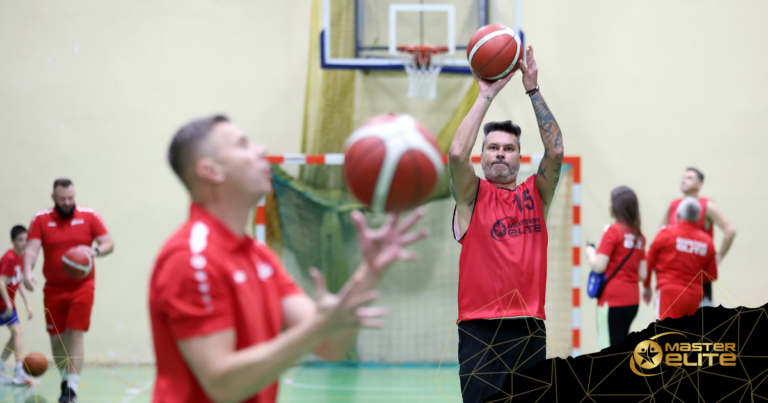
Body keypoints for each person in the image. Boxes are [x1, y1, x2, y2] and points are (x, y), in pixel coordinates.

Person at [149, 115, 428, 403]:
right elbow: (222, 385)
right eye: (243, 145)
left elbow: (330, 344)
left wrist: (369, 271)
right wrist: (316, 329)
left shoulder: (259, 257)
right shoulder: (191, 258)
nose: (261, 150)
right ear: (211, 171)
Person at [448, 46, 564, 403]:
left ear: (519, 157)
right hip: (480, 332)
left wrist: (533, 90)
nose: (500, 152)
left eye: (508, 148)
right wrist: (486, 93)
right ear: (482, 157)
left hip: (529, 329)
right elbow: (456, 154)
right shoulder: (471, 197)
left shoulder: (536, 194)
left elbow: (556, 152)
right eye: (493, 147)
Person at [22, 179, 115, 403]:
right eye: (62, 199)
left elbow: (108, 243)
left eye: (70, 198)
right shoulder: (41, 219)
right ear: (53, 198)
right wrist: (27, 271)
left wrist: (94, 251)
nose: (67, 202)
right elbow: (32, 249)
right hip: (54, 288)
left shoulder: (89, 216)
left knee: (75, 333)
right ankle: (65, 379)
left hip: (82, 286)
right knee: (57, 339)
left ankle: (71, 389)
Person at [661, 167, 736, 306]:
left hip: (698, 278)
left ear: (700, 184)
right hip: (675, 277)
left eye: (689, 178)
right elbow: (661, 232)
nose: (684, 180)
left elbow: (730, 230)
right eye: (683, 177)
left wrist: (719, 257)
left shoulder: (706, 205)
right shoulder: (674, 205)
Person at [585, 187, 647, 349]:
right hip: (632, 302)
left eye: (610, 202)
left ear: (617, 206)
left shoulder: (613, 231)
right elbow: (643, 274)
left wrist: (590, 252)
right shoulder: (639, 236)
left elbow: (598, 266)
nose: (609, 206)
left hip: (612, 301)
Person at [644, 197, 717, 320]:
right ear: (697, 218)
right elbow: (711, 276)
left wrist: (647, 287)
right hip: (694, 297)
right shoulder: (707, 242)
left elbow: (648, 264)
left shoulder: (665, 235)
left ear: (677, 216)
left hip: (669, 294)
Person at [0, 226, 36, 385]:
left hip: (7, 304)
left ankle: (16, 369)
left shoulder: (21, 258)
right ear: (13, 241)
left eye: (26, 240)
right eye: (20, 240)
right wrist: (8, 304)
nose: (24, 243)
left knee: (17, 334)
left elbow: (18, 282)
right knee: (17, 333)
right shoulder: (8, 257)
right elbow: (1, 282)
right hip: (3, 304)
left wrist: (28, 304)